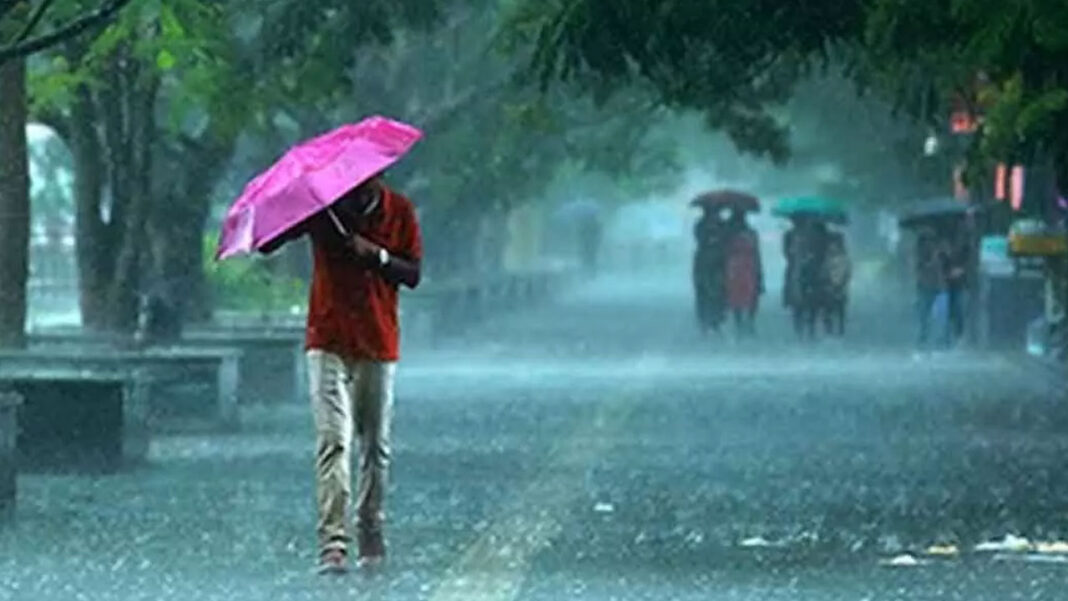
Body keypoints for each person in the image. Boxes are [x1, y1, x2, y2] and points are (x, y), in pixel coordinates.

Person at [261, 174, 422, 574]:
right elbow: (269, 243)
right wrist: (296, 212)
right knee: (333, 440)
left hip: (378, 340)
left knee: (375, 445)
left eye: (366, 183)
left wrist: (377, 256)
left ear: (380, 177)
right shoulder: (325, 210)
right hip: (327, 337)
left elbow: (413, 274)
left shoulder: (399, 211)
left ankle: (370, 526)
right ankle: (333, 542)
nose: (358, 189)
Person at [723, 209, 763, 337]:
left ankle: (740, 321)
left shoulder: (729, 235)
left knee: (737, 294)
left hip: (735, 267)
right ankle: (748, 321)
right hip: (748, 266)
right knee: (750, 293)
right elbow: (756, 252)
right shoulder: (751, 234)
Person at [693, 209, 727, 335]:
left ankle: (715, 321)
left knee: (718, 292)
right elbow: (700, 239)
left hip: (718, 262)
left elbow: (726, 238)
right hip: (705, 262)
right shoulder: (700, 225)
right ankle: (705, 322)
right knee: (704, 292)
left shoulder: (722, 224)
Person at [914, 228, 949, 351]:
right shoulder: (920, 252)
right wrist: (934, 258)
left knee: (939, 315)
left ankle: (939, 340)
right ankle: (924, 339)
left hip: (938, 287)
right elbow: (922, 266)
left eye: (932, 240)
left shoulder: (941, 250)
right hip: (926, 287)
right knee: (924, 315)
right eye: (927, 240)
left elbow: (946, 264)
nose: (930, 243)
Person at [820, 231, 851, 337]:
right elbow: (824, 272)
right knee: (828, 309)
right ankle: (829, 329)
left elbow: (847, 273)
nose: (832, 247)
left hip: (840, 287)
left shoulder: (844, 258)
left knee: (840, 308)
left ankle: (840, 328)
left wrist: (841, 283)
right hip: (829, 287)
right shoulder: (827, 258)